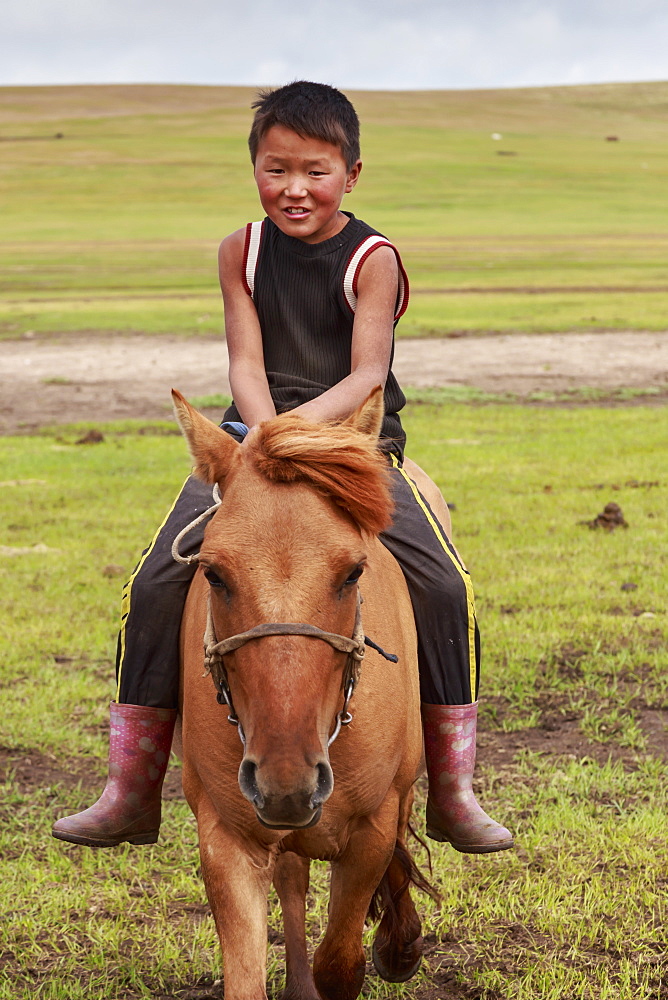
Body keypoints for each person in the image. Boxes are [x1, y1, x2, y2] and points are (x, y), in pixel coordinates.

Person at [53, 81, 513, 854]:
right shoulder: (241, 249)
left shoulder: (374, 260)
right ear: (255, 170)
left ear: (352, 174)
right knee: (157, 580)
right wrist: (262, 439)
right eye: (276, 170)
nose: (294, 189)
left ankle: (454, 789)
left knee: (444, 584)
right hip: (254, 436)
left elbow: (368, 375)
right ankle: (131, 788)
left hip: (351, 447)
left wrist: (296, 437)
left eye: (315, 170)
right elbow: (244, 358)